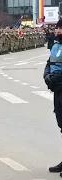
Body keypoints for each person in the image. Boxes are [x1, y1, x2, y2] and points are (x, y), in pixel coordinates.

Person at [43, 19, 62, 176]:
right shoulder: (55, 46)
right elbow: (49, 63)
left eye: (60, 28)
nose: (58, 31)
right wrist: (47, 77)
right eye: (57, 28)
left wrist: (55, 80)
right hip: (58, 90)